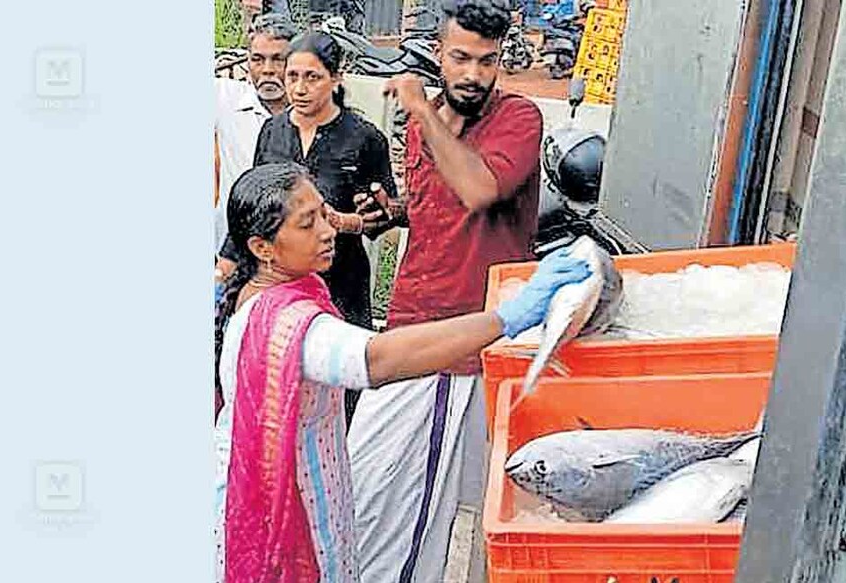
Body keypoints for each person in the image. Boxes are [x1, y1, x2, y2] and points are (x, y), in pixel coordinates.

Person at [213, 162, 589, 583]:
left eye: (323, 212)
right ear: (262, 248)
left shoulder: (258, 293)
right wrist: (504, 319)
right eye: (307, 224)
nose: (327, 230)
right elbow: (378, 358)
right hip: (290, 506)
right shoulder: (289, 325)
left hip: (279, 483)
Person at [345, 1, 544, 580]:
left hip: (465, 347)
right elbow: (444, 204)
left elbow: (480, 189)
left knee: (425, 507)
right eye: (460, 58)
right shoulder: (427, 118)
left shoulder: (519, 118)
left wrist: (420, 113)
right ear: (439, 53)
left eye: (487, 60)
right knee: (377, 498)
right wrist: (394, 213)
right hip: (412, 325)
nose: (473, 74)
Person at [221, 31, 398, 426]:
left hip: (340, 281)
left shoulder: (364, 139)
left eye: (312, 77)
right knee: (275, 397)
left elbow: (386, 215)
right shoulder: (273, 131)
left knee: (338, 393)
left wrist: (348, 222)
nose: (299, 89)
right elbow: (255, 205)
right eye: (293, 76)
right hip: (278, 281)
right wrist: (226, 267)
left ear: (337, 78)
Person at [215, 12, 297, 266]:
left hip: (292, 256)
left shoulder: (312, 114)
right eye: (257, 59)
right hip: (230, 255)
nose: (267, 70)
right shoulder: (225, 99)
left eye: (278, 60)